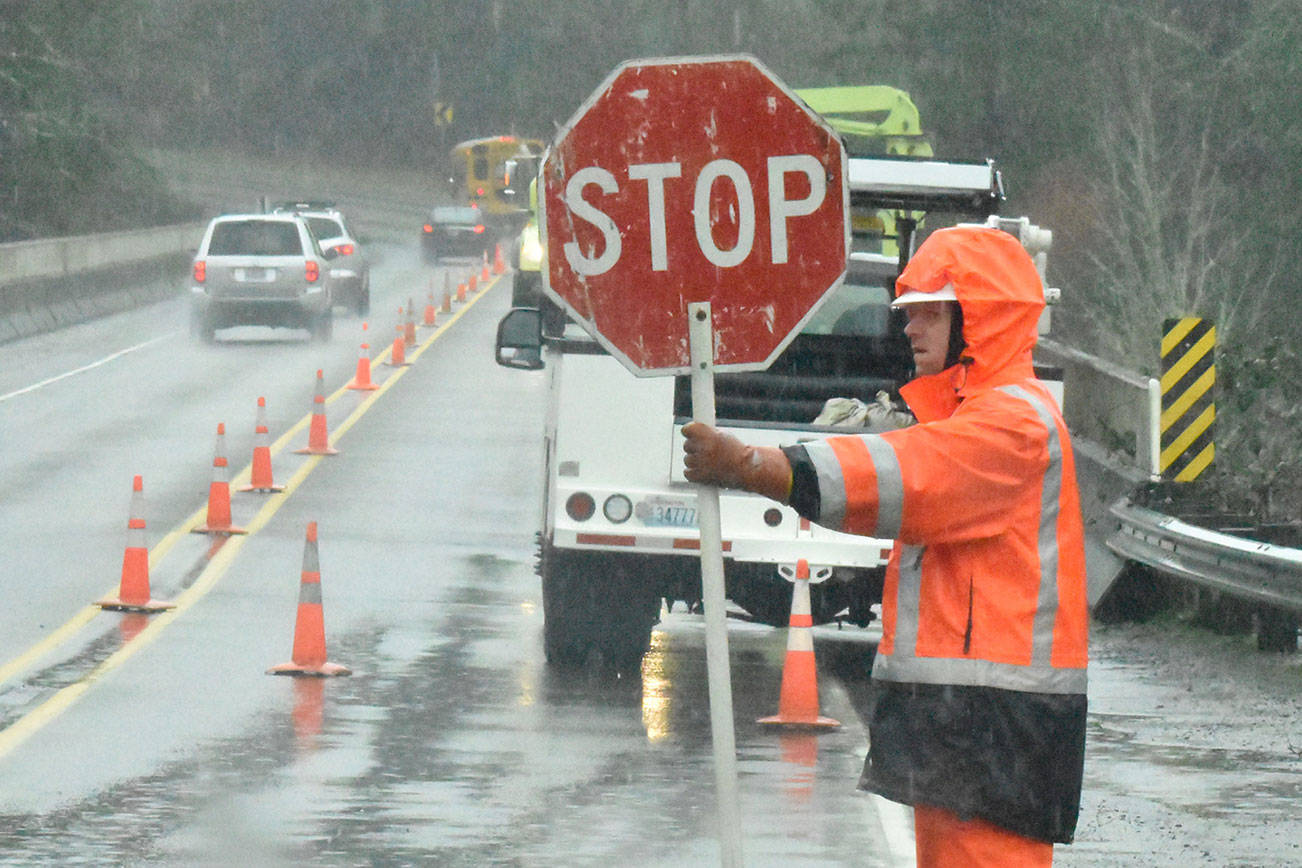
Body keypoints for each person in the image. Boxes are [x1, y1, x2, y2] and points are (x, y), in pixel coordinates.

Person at [682, 225, 1088, 866]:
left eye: (929, 312)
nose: (909, 327)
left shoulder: (1012, 424)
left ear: (975, 320)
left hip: (995, 727)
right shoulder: (983, 417)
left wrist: (756, 467)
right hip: (978, 725)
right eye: (909, 312)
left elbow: (905, 476)